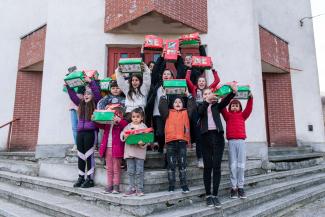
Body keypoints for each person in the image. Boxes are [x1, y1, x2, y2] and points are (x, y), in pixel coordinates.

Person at [197, 85, 237, 208]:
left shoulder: (216, 106)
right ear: (203, 96)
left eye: (210, 93)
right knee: (208, 167)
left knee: (217, 167)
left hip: (218, 137)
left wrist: (233, 93)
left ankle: (215, 195)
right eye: (205, 94)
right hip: (205, 137)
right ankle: (208, 195)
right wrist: (206, 102)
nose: (208, 95)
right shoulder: (200, 106)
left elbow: (225, 101)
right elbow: (199, 113)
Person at [67, 77, 101, 188]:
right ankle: (81, 177)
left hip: (90, 132)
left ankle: (89, 179)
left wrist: (91, 82)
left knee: (89, 155)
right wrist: (68, 86)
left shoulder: (95, 103)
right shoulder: (81, 104)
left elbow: (96, 93)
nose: (86, 95)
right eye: (85, 94)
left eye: (88, 94)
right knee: (80, 155)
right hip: (80, 133)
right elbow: (72, 96)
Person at [159, 90, 196, 193]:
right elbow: (162, 108)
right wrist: (163, 96)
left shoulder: (186, 112)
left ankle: (184, 184)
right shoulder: (168, 113)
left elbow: (192, 107)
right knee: (171, 165)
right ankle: (171, 185)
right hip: (170, 142)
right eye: (175, 102)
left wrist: (188, 95)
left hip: (182, 142)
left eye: (180, 102)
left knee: (183, 164)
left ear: (183, 104)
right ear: (172, 104)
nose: (178, 104)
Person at [186, 68, 221, 168]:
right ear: (197, 83)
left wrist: (214, 70)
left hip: (206, 112)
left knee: (207, 135)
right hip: (197, 112)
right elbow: (187, 80)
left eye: (203, 81)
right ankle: (200, 159)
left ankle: (209, 157)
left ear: (205, 83)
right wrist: (189, 70)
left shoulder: (208, 89)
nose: (201, 83)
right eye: (200, 81)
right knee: (198, 137)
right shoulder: (194, 89)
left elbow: (217, 81)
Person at [221, 93, 253, 199]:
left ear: (240, 107)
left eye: (237, 105)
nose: (234, 107)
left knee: (241, 165)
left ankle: (241, 187)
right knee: (233, 166)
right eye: (232, 105)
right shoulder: (227, 116)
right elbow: (222, 108)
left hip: (241, 142)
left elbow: (249, 109)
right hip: (231, 143)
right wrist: (223, 98)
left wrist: (250, 98)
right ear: (230, 107)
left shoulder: (243, 115)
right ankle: (233, 188)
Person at [96, 108, 128, 194]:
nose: (113, 117)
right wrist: (95, 118)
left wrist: (119, 121)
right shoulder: (107, 124)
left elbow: (126, 126)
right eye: (112, 115)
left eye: (116, 115)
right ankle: (109, 186)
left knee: (116, 169)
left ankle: (116, 187)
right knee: (109, 169)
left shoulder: (121, 124)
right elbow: (99, 124)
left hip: (117, 150)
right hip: (107, 149)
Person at [120, 108, 148, 196]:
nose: (135, 118)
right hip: (129, 152)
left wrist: (143, 142)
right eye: (133, 117)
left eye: (138, 117)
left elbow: (147, 139)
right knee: (130, 171)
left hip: (139, 153)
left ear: (142, 118)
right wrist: (124, 135)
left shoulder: (144, 127)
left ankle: (139, 189)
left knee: (139, 171)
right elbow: (122, 134)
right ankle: (131, 187)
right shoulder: (128, 126)